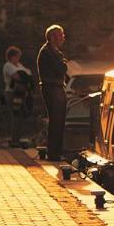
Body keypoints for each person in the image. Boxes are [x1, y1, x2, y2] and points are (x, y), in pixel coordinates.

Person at [36, 24, 69, 161]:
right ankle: (54, 153)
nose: (63, 37)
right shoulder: (48, 52)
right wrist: (64, 64)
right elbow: (61, 69)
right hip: (52, 88)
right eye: (61, 34)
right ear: (52, 37)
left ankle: (55, 151)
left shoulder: (52, 52)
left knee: (58, 120)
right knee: (56, 121)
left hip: (55, 88)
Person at [1, 46, 31, 148]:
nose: (19, 58)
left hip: (21, 92)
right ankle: (14, 140)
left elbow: (28, 74)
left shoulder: (18, 65)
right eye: (17, 56)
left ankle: (17, 138)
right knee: (16, 115)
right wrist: (24, 75)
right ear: (12, 57)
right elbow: (18, 76)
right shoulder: (8, 66)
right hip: (12, 93)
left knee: (21, 115)